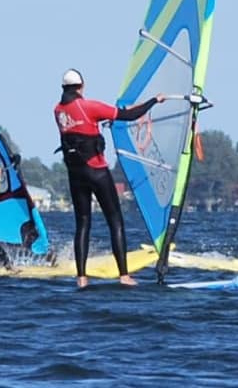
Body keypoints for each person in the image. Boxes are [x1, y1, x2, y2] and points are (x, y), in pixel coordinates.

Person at [54, 68, 166, 288]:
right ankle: (124, 276)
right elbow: (129, 116)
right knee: (115, 221)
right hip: (96, 172)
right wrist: (154, 100)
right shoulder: (90, 106)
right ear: (82, 87)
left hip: (75, 174)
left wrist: (116, 113)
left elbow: (92, 121)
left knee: (82, 223)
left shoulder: (58, 110)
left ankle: (81, 278)